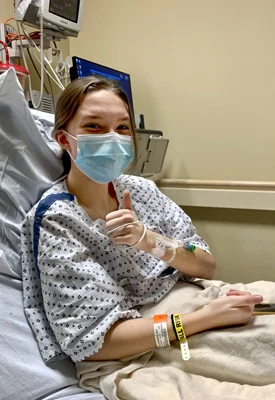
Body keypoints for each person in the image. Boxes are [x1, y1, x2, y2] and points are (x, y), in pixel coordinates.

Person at [21, 76, 263, 366]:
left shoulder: (141, 190)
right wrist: (205, 318)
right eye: (94, 126)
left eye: (122, 127)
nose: (113, 138)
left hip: (194, 305)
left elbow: (205, 265)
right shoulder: (56, 219)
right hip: (151, 340)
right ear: (63, 139)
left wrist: (150, 241)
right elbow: (92, 343)